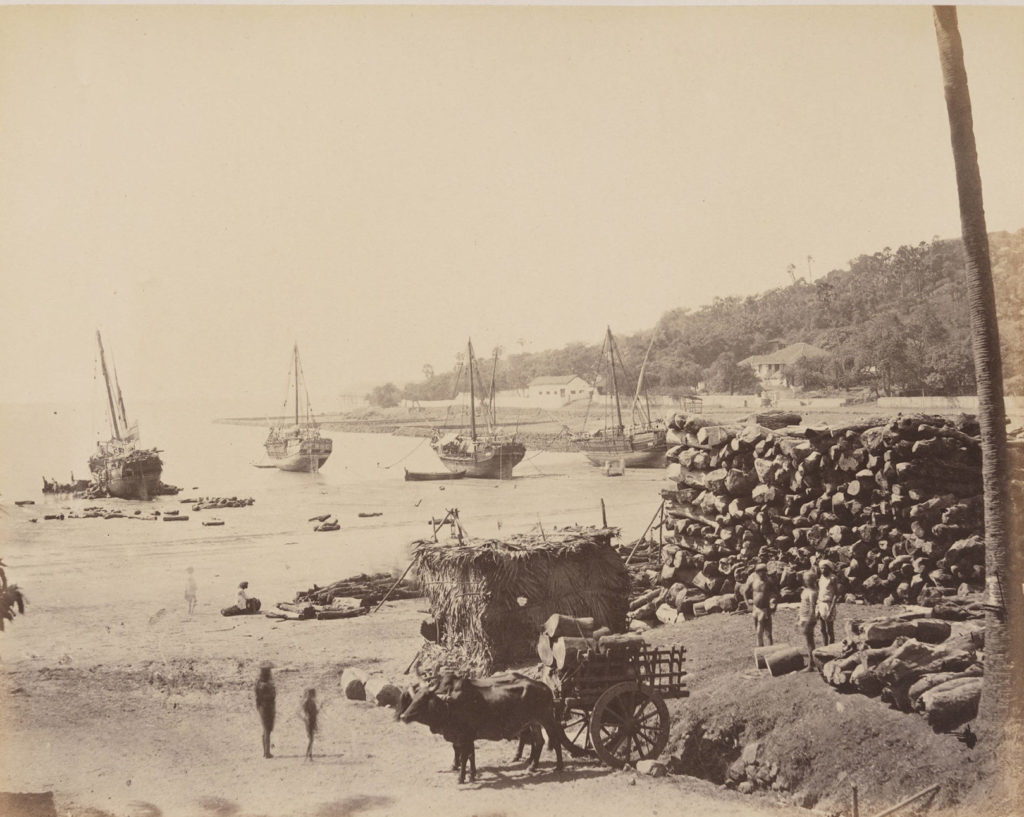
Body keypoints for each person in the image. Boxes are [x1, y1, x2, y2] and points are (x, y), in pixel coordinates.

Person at [743, 563, 777, 647]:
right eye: (760, 572)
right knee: (758, 631)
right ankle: (760, 649)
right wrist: (747, 604)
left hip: (765, 609)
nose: (762, 574)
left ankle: (771, 648)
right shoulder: (753, 581)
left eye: (764, 571)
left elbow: (776, 593)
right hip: (756, 608)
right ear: (757, 572)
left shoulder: (769, 581)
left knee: (768, 631)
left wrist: (774, 604)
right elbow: (745, 592)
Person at [797, 570, 818, 671]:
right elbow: (802, 604)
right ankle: (812, 662)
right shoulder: (806, 590)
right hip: (803, 616)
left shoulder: (813, 592)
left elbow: (812, 609)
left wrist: (809, 621)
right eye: (805, 579)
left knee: (809, 641)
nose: (806, 581)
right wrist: (798, 617)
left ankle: (811, 664)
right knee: (808, 641)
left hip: (808, 618)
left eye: (808, 580)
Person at [255, 663, 276, 759]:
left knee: (265, 730)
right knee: (267, 730)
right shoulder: (265, 685)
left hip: (262, 707)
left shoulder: (259, 684)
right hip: (267, 707)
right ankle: (267, 752)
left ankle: (265, 752)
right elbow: (272, 696)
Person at [817, 561, 839, 646]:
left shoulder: (833, 578)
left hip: (828, 604)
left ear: (829, 569)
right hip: (821, 603)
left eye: (824, 568)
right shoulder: (821, 578)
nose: (822, 570)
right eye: (821, 568)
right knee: (822, 629)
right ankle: (824, 646)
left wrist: (831, 608)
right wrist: (817, 605)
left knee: (830, 629)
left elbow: (836, 594)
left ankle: (831, 646)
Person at [300, 688, 319, 761]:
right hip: (310, 722)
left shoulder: (308, 702)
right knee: (311, 739)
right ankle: (308, 755)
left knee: (311, 739)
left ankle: (309, 755)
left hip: (311, 721)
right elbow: (310, 713)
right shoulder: (308, 703)